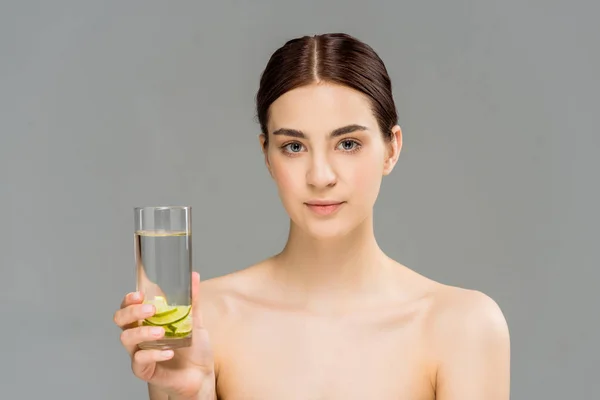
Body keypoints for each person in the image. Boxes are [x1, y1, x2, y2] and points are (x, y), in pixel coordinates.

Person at [113, 32, 511, 400]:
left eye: (348, 143)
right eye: (294, 147)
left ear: (392, 148)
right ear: (267, 155)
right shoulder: (207, 321)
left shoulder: (462, 328)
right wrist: (185, 392)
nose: (321, 176)